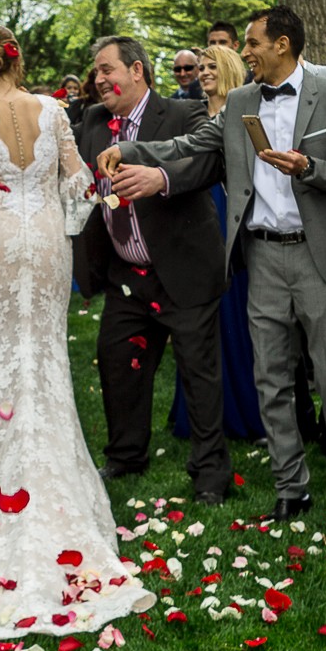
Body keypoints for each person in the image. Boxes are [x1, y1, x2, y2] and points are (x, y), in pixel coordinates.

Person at [102, 6, 326, 527]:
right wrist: (129, 147)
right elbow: (188, 144)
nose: (244, 52)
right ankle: (291, 488)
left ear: (282, 44)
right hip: (262, 256)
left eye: (252, 43)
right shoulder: (242, 101)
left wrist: (310, 168)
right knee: (269, 377)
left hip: (319, 256)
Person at [0, 22, 151, 635]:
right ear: (17, 59)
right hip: (48, 242)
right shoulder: (53, 110)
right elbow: (79, 184)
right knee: (43, 355)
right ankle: (53, 479)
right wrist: (57, 209)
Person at [72, 35, 232, 502]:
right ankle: (125, 455)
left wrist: (161, 177)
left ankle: (210, 475)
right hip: (125, 273)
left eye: (107, 69)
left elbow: (210, 163)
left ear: (137, 70)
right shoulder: (93, 121)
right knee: (118, 364)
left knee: (199, 376)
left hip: (183, 269)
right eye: (96, 72)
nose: (99, 79)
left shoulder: (183, 113)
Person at [167, 43, 265, 447]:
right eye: (201, 67)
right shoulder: (190, 114)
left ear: (228, 69)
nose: (204, 72)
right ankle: (195, 412)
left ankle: (244, 411)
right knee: (197, 315)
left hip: (232, 216)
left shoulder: (247, 112)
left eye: (211, 66)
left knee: (235, 314)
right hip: (195, 216)